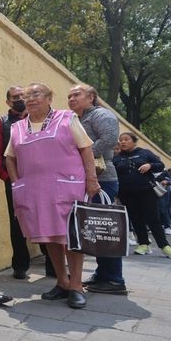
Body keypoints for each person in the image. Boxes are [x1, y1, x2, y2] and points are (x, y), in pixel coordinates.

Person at [5, 83, 100, 309]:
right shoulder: (18, 127)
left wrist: (92, 178)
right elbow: (9, 157)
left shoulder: (67, 118)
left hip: (68, 187)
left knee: (71, 237)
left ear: (49, 97)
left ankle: (76, 285)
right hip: (36, 191)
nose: (30, 99)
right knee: (49, 237)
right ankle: (62, 282)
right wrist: (17, 183)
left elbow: (85, 148)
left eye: (35, 94)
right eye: (27, 96)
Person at [67, 84, 126, 295]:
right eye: (69, 96)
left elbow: (109, 140)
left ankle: (113, 279)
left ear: (91, 97)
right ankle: (104, 274)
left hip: (103, 179)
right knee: (94, 227)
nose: (71, 99)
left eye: (76, 94)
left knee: (104, 226)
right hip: (87, 178)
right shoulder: (80, 118)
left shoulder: (101, 114)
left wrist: (81, 154)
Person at [0, 85, 55, 281]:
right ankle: (20, 266)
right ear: (8, 102)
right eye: (15, 97)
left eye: (22, 95)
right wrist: (7, 177)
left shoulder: (41, 119)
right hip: (14, 180)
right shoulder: (2, 123)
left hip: (42, 179)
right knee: (17, 222)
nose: (20, 99)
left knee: (45, 219)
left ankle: (53, 265)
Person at [113, 132, 171, 260]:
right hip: (126, 192)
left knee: (153, 219)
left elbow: (160, 166)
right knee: (135, 218)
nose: (123, 142)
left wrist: (150, 165)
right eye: (121, 140)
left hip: (146, 191)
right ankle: (143, 244)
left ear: (134, 141)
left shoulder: (145, 153)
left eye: (126, 139)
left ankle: (165, 246)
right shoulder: (117, 158)